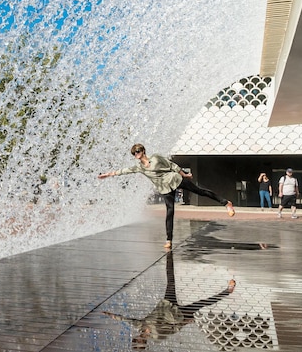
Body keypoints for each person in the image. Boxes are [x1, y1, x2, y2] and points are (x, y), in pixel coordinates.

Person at [98, 144, 235, 249]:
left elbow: (172, 166)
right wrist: (108, 174)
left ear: (143, 151)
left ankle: (226, 203)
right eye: (134, 153)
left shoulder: (156, 158)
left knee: (200, 191)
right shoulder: (139, 167)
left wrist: (185, 175)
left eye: (137, 152)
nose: (136, 155)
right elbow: (125, 171)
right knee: (170, 212)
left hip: (175, 179)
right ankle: (168, 240)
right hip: (164, 188)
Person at [103, 251, 236, 350]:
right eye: (141, 344)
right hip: (178, 315)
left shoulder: (140, 325)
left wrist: (111, 315)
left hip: (166, 304)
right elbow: (173, 329)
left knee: (170, 281)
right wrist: (186, 322)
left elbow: (125, 319)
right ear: (144, 344)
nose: (140, 340)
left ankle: (169, 254)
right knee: (201, 303)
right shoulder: (157, 337)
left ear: (135, 338)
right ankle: (227, 291)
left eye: (137, 341)